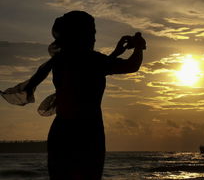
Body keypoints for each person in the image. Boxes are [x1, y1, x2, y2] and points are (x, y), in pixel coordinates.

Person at [1, 11, 146, 179]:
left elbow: (89, 72)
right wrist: (139, 46)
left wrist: (115, 53)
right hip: (87, 134)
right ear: (81, 35)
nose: (94, 38)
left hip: (62, 132)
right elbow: (131, 65)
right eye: (91, 33)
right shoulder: (94, 60)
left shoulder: (61, 60)